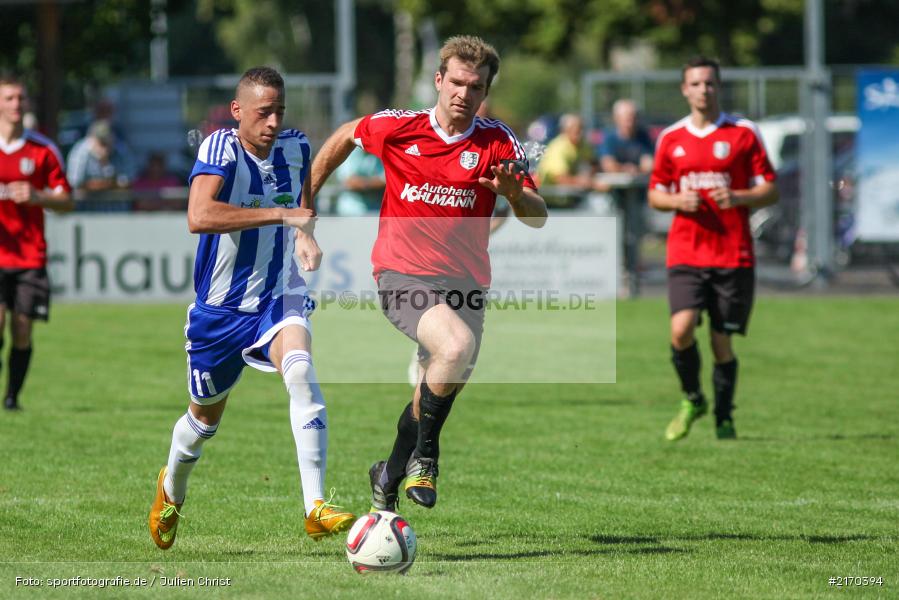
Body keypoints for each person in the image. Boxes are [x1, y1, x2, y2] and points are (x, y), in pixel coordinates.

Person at [311, 35, 547, 512]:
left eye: (475, 87)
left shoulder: (499, 141)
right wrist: (305, 202)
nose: (464, 93)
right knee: (454, 348)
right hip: (402, 274)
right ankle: (426, 459)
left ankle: (388, 474)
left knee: (438, 384)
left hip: (467, 285)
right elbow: (344, 136)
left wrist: (516, 194)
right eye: (457, 82)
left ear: (485, 94)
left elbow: (538, 215)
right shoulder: (401, 127)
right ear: (439, 81)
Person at [148, 66, 355, 550]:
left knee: (301, 371)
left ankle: (315, 507)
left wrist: (303, 233)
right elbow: (199, 216)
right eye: (264, 112)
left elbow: (302, 198)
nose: (274, 121)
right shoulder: (219, 148)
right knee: (202, 423)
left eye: (280, 110)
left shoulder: (297, 147)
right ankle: (171, 488)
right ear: (238, 111)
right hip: (219, 311)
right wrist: (285, 215)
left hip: (278, 294)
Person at [648, 57, 778, 441]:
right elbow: (655, 194)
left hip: (732, 253)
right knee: (680, 330)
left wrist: (738, 196)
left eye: (709, 83)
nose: (703, 90)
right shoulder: (671, 138)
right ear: (684, 90)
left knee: (722, 342)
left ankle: (724, 416)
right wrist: (677, 202)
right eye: (696, 83)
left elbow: (770, 188)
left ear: (718, 87)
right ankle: (693, 398)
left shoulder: (742, 132)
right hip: (686, 251)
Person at [0, 73, 73, 411]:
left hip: (30, 256)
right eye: (9, 98)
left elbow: (66, 202)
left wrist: (37, 195)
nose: (16, 104)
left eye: (20, 98)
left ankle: (13, 396)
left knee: (22, 329)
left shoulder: (42, 150)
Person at [536, 113, 607, 207]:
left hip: (569, 200)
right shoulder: (558, 148)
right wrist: (590, 183)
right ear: (565, 130)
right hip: (550, 203)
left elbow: (594, 162)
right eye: (576, 129)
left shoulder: (581, 144)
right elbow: (560, 178)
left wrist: (590, 174)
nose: (580, 133)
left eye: (581, 128)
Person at [66, 119, 136, 193]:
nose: (105, 148)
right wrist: (110, 184)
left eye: (107, 142)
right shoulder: (80, 152)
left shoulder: (121, 150)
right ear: (90, 139)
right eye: (101, 142)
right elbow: (75, 183)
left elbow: (129, 180)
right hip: (88, 203)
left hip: (116, 204)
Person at [599, 99, 654, 175]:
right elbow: (607, 164)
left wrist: (636, 169)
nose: (631, 121)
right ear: (616, 118)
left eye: (634, 116)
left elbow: (649, 164)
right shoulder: (609, 138)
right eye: (627, 117)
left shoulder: (643, 136)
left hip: (639, 183)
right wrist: (625, 169)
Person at [334, 147, 385, 215]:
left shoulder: (380, 152)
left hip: (375, 210)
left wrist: (363, 183)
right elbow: (349, 182)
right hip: (351, 211)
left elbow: (386, 181)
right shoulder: (350, 152)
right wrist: (373, 183)